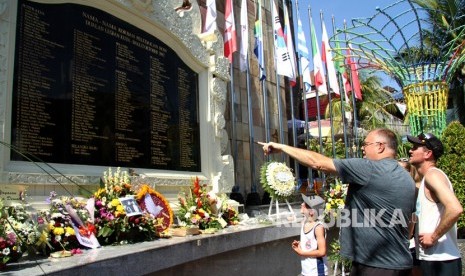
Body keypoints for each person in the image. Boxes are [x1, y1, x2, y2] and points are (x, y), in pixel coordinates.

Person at [259, 128, 416, 275]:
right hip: (400, 262)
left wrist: (282, 147)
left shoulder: (369, 169)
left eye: (366, 144)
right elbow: (410, 223)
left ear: (380, 146)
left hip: (375, 266)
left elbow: (317, 163)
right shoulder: (407, 178)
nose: (363, 149)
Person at [407, 133, 463, 276]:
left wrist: (433, 237)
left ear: (428, 153)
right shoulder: (426, 179)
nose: (410, 151)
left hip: (441, 261)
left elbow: (455, 209)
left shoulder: (433, 176)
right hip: (431, 259)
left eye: (415, 148)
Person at [292, 194, 328, 276]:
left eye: (305, 204)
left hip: (317, 271)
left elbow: (322, 251)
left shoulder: (318, 228)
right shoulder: (304, 222)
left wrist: (301, 253)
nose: (302, 204)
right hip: (306, 270)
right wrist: (300, 245)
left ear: (311, 212)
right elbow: (310, 243)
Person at [398, 158, 422, 276]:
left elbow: (413, 217)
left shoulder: (414, 191)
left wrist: (406, 237)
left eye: (403, 170)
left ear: (410, 172)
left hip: (410, 242)